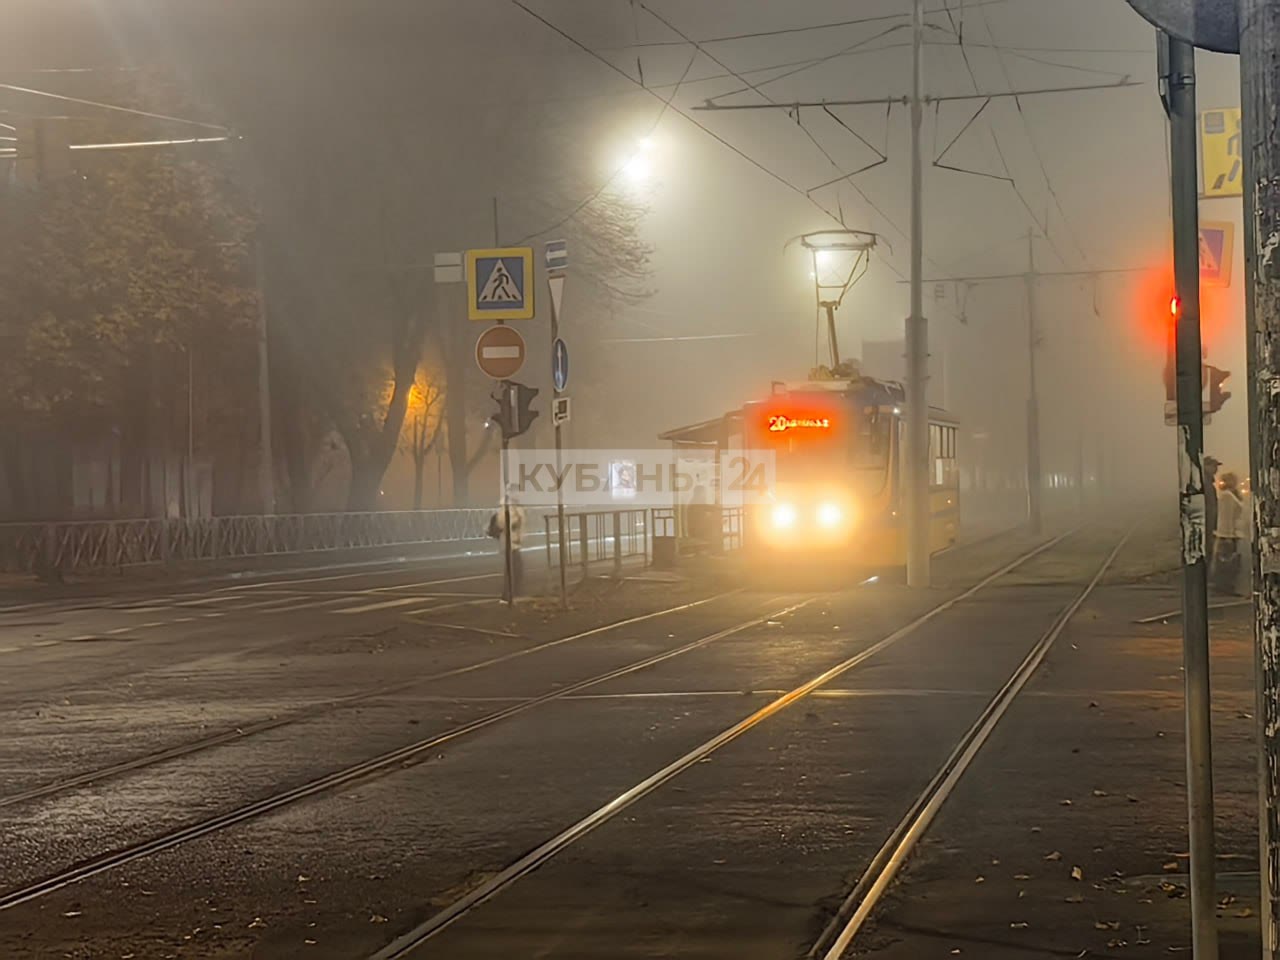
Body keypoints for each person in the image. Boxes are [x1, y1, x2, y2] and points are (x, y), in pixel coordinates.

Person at [1214, 471, 1245, 595]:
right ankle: (1224, 587)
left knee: (1230, 562)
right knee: (1227, 562)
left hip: (1232, 534)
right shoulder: (1227, 496)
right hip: (1227, 535)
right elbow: (1226, 517)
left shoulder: (1231, 495)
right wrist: (1227, 536)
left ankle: (1227, 586)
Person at [495, 487, 525, 598]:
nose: (518, 494)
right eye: (515, 492)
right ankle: (508, 594)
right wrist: (514, 522)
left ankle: (512, 593)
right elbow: (501, 522)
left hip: (515, 542)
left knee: (515, 569)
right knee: (514, 569)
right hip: (509, 542)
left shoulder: (517, 506)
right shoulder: (505, 506)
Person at [1203, 456, 1220, 570]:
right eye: (1214, 466)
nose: (1216, 469)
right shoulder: (1205, 482)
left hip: (1209, 522)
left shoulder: (1208, 481)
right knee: (1207, 549)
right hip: (1206, 522)